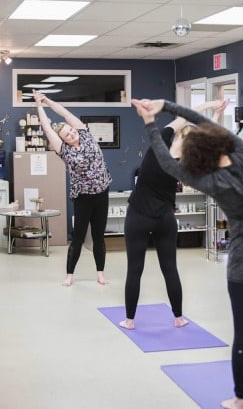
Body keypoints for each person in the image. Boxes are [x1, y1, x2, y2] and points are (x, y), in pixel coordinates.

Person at [132, 98, 243, 409]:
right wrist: (166, 105)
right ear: (221, 140)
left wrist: (150, 122)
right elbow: (199, 119)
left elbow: (167, 163)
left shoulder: (207, 180)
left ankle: (239, 399)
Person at [119, 99, 228, 330]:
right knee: (170, 269)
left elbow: (184, 115)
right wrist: (217, 115)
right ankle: (178, 318)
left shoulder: (160, 142)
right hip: (165, 219)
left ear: (178, 135)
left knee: (134, 270)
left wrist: (209, 104)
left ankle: (129, 320)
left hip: (138, 215)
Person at [33, 89, 112, 287]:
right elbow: (46, 127)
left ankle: (100, 273)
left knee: (98, 236)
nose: (72, 133)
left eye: (72, 130)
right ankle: (69, 275)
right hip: (83, 198)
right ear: (64, 139)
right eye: (68, 134)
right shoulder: (63, 150)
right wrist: (38, 105)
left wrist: (47, 100)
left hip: (102, 193)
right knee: (78, 237)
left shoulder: (85, 133)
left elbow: (65, 113)